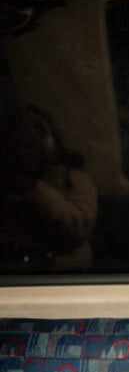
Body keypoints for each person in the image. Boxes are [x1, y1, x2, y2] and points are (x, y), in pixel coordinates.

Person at [0, 104, 98, 272]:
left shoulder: (73, 180)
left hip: (65, 277)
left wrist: (32, 188)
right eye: (15, 145)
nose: (20, 153)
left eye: (30, 144)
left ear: (49, 145)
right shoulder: (6, 185)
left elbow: (77, 228)